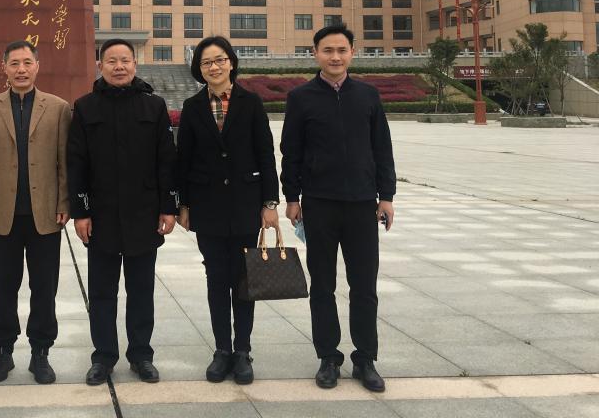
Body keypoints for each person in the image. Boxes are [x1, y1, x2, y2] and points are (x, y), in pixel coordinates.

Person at [280, 23, 396, 393]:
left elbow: (382, 148)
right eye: (328, 50)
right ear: (315, 53)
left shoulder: (368, 95)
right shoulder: (301, 98)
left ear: (352, 53)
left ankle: (365, 358)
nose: (335, 57)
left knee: (364, 286)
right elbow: (290, 152)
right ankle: (328, 357)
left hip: (362, 205)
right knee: (322, 286)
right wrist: (292, 198)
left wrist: (387, 196)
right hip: (319, 204)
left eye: (342, 50)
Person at [67, 39, 178, 386]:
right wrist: (81, 212)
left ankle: (141, 355)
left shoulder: (154, 106)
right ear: (100, 66)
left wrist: (168, 207)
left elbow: (166, 160)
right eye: (111, 61)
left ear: (135, 65)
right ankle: (103, 357)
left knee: (141, 290)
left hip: (143, 215)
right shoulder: (85, 107)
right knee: (102, 292)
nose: (119, 66)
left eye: (125, 60)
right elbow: (76, 163)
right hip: (100, 217)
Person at [176, 36, 279, 385]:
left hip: (246, 205)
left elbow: (265, 154)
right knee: (217, 280)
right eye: (207, 62)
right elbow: (183, 159)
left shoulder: (251, 103)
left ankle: (243, 351)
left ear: (231, 62)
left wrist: (270, 203)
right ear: (199, 69)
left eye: (220, 60)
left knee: (244, 280)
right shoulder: (192, 106)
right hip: (207, 208)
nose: (214, 67)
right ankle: (222, 349)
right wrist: (183, 204)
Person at [0, 41, 72, 384]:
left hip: (45, 215)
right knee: (4, 287)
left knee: (44, 288)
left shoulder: (58, 108)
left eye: (27, 62)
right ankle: (3, 350)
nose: (21, 69)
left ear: (37, 66)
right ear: (4, 67)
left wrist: (64, 203)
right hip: (4, 216)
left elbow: (64, 162)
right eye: (14, 63)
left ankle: (41, 352)